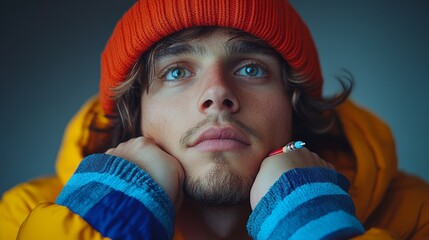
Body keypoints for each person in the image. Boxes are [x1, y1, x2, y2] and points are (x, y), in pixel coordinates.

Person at [1, 0, 429, 239]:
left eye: (249, 69)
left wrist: (310, 222)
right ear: (136, 113)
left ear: (293, 103)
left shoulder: (412, 214)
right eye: (176, 72)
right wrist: (108, 218)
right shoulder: (19, 217)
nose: (217, 93)